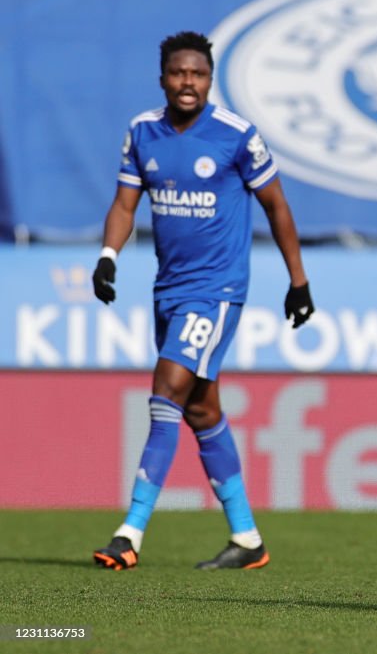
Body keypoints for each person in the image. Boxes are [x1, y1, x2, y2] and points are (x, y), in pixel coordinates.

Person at [91, 31, 314, 570]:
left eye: (197, 74)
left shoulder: (236, 136)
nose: (187, 82)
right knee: (201, 407)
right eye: (178, 73)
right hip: (167, 289)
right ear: (163, 77)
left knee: (166, 389)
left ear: (210, 80)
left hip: (217, 291)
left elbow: (277, 207)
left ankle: (131, 532)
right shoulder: (142, 133)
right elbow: (125, 205)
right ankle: (247, 539)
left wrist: (298, 281)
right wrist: (107, 256)